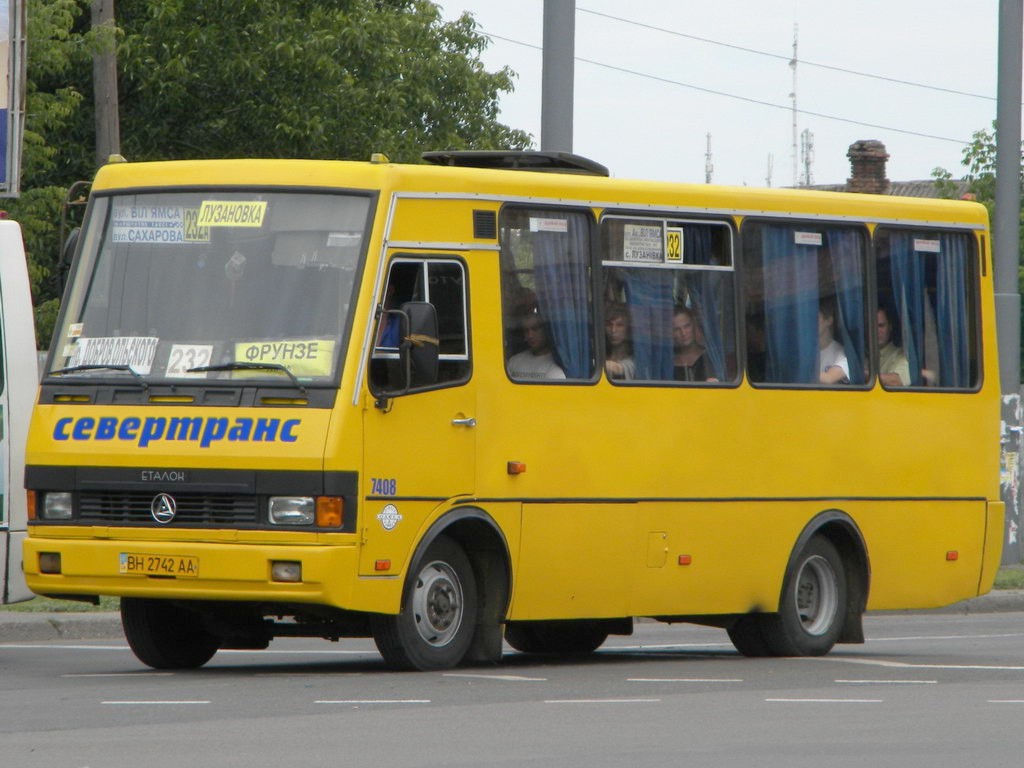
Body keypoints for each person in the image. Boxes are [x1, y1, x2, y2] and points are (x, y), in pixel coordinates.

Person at [507, 310, 566, 380]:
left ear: (546, 331)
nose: (530, 335)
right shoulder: (514, 361)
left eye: (535, 329)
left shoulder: (556, 363)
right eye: (526, 331)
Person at [673, 306, 709, 382]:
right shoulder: (669, 362)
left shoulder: (708, 358)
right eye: (677, 329)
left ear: (694, 326)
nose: (683, 333)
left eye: (687, 326)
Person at [877, 306, 910, 387]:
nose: (877, 331)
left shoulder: (900, 355)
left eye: (881, 325)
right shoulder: (859, 355)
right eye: (871, 326)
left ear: (890, 327)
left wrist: (864, 375)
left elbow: (897, 381)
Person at [818, 301, 850, 384]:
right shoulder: (806, 352)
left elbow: (829, 379)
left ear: (829, 320)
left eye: (815, 318)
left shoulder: (842, 353)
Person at [604, 303, 636, 380]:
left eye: (619, 325)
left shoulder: (635, 360)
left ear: (628, 329)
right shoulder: (602, 355)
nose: (613, 330)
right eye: (609, 324)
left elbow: (617, 369)